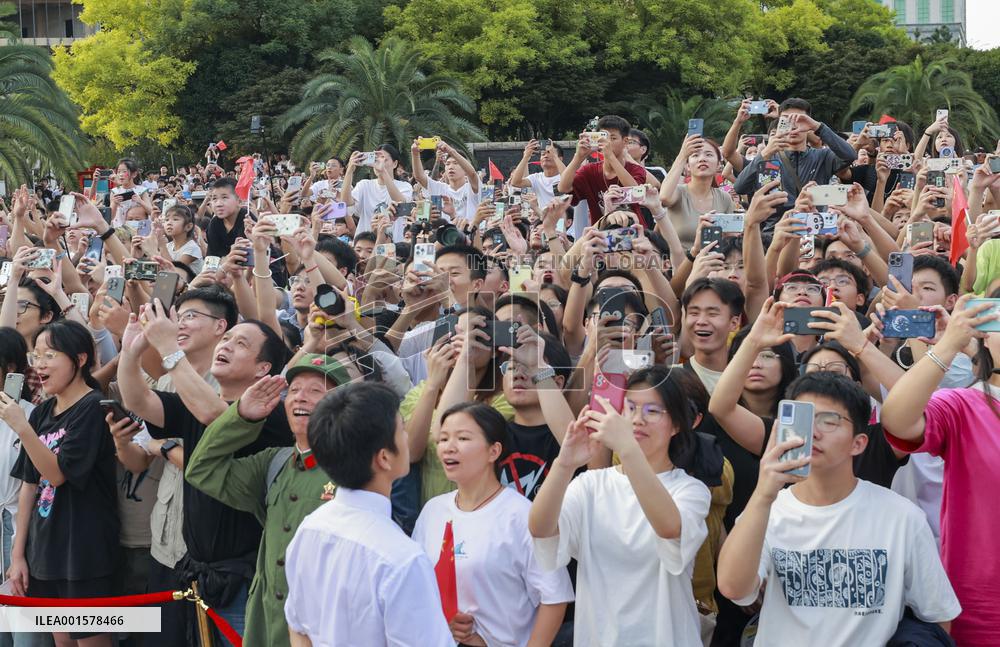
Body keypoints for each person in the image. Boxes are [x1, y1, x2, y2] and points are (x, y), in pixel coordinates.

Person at [718, 372, 961, 646]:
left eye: (830, 420)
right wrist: (763, 493)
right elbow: (733, 589)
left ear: (858, 443)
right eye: (803, 419)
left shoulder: (901, 517)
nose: (814, 432)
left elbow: (938, 617)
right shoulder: (768, 511)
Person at [529, 367, 710, 646]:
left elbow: (670, 527)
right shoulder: (591, 485)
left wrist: (627, 449)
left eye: (653, 411)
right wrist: (564, 464)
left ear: (676, 425)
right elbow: (541, 530)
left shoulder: (690, 490)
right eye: (630, 408)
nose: (638, 420)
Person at [186, 355, 351, 647]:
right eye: (295, 389)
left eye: (316, 391)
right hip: (267, 623)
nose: (301, 397)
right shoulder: (274, 462)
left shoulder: (357, 472)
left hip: (324, 628)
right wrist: (241, 416)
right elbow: (201, 470)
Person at [283, 382, 453, 646]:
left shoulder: (309, 529)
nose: (407, 437)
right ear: (384, 458)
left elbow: (298, 629)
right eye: (402, 429)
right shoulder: (402, 558)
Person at [880, 294, 1000, 645]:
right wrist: (947, 347)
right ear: (983, 336)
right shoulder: (964, 404)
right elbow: (898, 420)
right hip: (984, 612)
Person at [413, 402, 572, 647]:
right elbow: (419, 586)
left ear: (494, 451)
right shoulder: (433, 510)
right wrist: (445, 619)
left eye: (463, 438)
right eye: (443, 439)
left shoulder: (520, 515)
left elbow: (554, 596)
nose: (448, 448)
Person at [0, 321, 119, 647]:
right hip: (46, 550)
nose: (39, 364)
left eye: (49, 354)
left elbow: (56, 474)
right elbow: (29, 484)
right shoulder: (42, 413)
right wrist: (19, 554)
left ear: (80, 359)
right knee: (63, 642)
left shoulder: (92, 408)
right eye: (35, 355)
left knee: (90, 641)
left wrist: (22, 429)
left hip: (83, 551)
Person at [733, 98, 857, 228]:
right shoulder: (767, 158)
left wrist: (818, 127)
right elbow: (740, 187)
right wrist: (764, 154)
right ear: (778, 122)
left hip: (813, 233)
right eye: (786, 120)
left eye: (799, 120)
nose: (793, 126)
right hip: (775, 234)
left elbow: (850, 155)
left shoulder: (822, 156)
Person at [558, 115, 647, 222]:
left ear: (625, 141)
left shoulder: (636, 170)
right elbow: (563, 188)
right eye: (604, 138)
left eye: (613, 138)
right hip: (601, 234)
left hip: (634, 232)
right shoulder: (589, 171)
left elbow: (635, 193)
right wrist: (578, 157)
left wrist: (610, 156)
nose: (608, 142)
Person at [660, 135, 735, 245]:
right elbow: (664, 198)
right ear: (687, 166)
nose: (702, 159)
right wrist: (682, 155)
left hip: (714, 260)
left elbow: (730, 238)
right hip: (679, 261)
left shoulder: (725, 198)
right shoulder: (678, 192)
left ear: (719, 164)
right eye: (695, 155)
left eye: (709, 154)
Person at [510, 139, 567, 210]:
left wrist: (554, 156)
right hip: (545, 219)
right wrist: (526, 157)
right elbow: (515, 182)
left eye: (549, 153)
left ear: (560, 158)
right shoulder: (536, 178)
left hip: (565, 218)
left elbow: (569, 179)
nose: (546, 156)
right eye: (543, 154)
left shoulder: (563, 176)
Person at [205, 177, 246, 258]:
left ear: (239, 201)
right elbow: (211, 257)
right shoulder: (214, 223)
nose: (218, 204)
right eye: (214, 199)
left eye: (224, 197)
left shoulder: (248, 221)